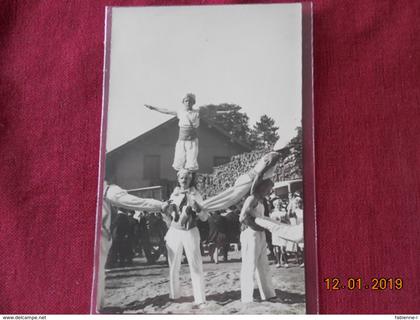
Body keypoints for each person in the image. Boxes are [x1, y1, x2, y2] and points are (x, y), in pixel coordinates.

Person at [97, 182, 165, 312]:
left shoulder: (105, 190)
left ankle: (96, 307)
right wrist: (160, 205)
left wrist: (159, 205)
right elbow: (135, 202)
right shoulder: (106, 190)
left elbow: (135, 202)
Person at [202, 138, 288, 212]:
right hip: (250, 180)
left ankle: (204, 206)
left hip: (249, 178)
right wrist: (253, 190)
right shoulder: (274, 157)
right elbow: (259, 174)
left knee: (227, 196)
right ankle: (203, 207)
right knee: (228, 201)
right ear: (283, 150)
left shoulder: (272, 156)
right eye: (286, 151)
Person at [164, 169, 209, 305]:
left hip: (191, 231)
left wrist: (198, 208)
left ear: (191, 180)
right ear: (178, 179)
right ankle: (174, 295)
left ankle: (200, 298)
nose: (184, 180)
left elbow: (205, 217)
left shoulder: (197, 194)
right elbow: (167, 216)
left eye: (187, 178)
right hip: (174, 231)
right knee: (173, 264)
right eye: (182, 178)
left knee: (195, 264)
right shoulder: (174, 194)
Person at [239, 179, 276, 303]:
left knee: (263, 264)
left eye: (270, 190)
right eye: (267, 189)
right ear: (261, 187)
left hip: (260, 233)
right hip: (251, 233)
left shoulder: (262, 200)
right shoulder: (252, 198)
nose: (268, 191)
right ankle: (246, 297)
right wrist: (257, 227)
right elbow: (242, 217)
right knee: (249, 265)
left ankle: (268, 294)